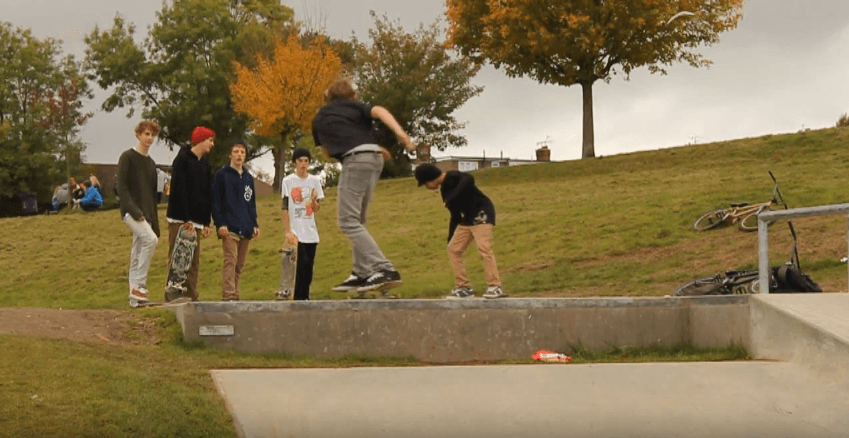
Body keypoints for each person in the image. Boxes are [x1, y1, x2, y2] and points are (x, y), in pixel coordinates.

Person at [311, 78, 416, 293]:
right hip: (374, 156)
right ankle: (362, 273)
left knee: (347, 221)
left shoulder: (320, 117)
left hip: (356, 159)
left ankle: (384, 268)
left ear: (328, 97)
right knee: (359, 219)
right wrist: (400, 133)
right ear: (352, 96)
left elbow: (327, 151)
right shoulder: (357, 107)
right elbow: (379, 111)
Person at [414, 163, 507, 299]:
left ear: (431, 178)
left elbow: (468, 179)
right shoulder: (444, 190)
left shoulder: (453, 176)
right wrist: (450, 237)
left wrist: (452, 197)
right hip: (467, 218)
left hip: (482, 212)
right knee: (453, 249)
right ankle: (463, 287)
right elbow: (455, 216)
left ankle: (495, 286)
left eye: (425, 184)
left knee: (484, 248)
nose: (427, 188)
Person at [165, 126, 214, 302]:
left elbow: (207, 194)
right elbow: (179, 191)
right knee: (179, 258)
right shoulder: (182, 160)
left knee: (193, 261)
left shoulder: (206, 164)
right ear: (201, 140)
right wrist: (187, 219)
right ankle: (172, 296)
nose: (212, 144)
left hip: (198, 221)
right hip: (181, 219)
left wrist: (207, 222)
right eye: (210, 140)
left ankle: (191, 296)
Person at [117, 120, 162, 305]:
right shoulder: (127, 157)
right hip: (130, 212)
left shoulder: (151, 164)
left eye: (152, 135)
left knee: (137, 252)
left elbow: (152, 196)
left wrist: (155, 222)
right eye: (146, 134)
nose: (149, 138)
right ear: (138, 135)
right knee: (150, 240)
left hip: (147, 214)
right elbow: (122, 187)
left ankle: (134, 299)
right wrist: (134, 211)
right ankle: (140, 286)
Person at [211, 140, 260, 301]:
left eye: (242, 152)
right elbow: (216, 201)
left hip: (245, 226)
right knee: (230, 262)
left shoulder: (248, 178)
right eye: (236, 151)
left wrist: (254, 224)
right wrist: (220, 223)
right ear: (230, 154)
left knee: (239, 265)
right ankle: (229, 295)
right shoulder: (222, 175)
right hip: (229, 227)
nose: (239, 155)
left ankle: (235, 293)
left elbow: (250, 202)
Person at [280, 148, 324, 300]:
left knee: (308, 268)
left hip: (311, 231)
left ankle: (305, 297)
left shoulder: (315, 181)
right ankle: (298, 298)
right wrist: (287, 231)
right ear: (295, 163)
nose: (303, 164)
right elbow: (285, 207)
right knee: (299, 266)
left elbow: (316, 208)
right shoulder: (288, 181)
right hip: (296, 231)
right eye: (300, 161)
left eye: (306, 161)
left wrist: (313, 200)